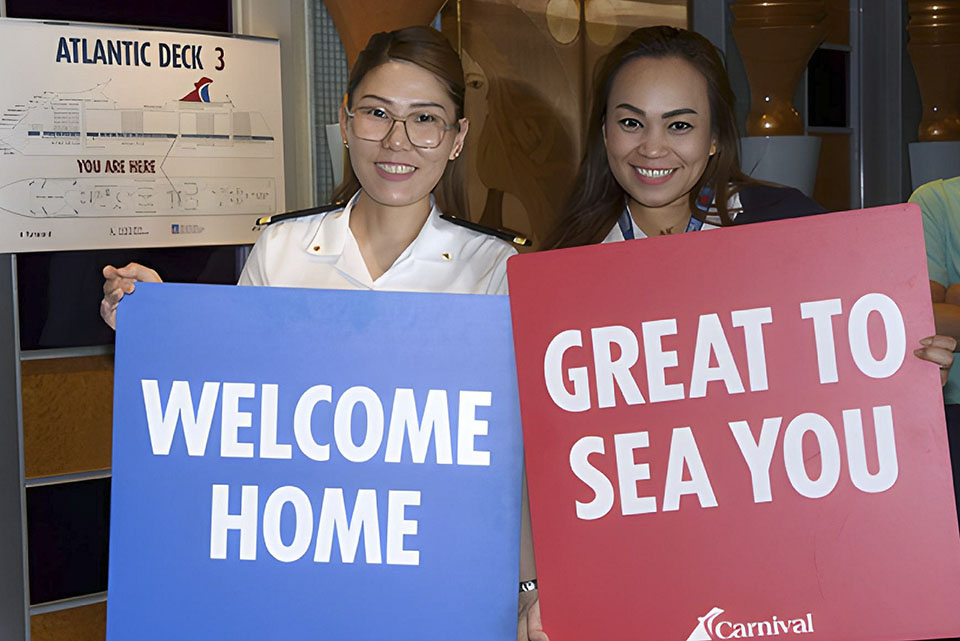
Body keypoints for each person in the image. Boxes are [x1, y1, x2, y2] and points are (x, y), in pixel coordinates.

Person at [100, 25, 547, 641]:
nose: (397, 140)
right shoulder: (282, 248)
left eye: (426, 119)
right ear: (345, 121)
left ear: (457, 138)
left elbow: (512, 460)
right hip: (292, 573)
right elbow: (228, 414)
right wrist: (158, 323)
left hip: (436, 582)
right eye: (376, 113)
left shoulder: (497, 270)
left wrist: (528, 589)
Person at [522, 25, 955, 638]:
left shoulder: (788, 235)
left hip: (780, 571)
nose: (652, 148)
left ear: (716, 135)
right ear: (602, 132)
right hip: (641, 575)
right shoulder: (563, 269)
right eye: (630, 122)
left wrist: (904, 377)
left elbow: (840, 407)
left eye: (678, 125)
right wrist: (540, 588)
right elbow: (552, 458)